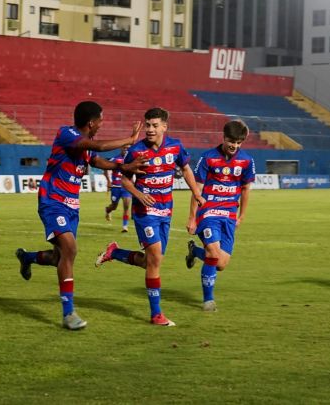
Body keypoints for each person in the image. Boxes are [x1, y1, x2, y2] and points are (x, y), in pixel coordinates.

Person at [15, 101, 145, 330]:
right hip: (52, 201)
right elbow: (99, 147)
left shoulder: (82, 147)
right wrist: (129, 140)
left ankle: (28, 258)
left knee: (59, 257)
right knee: (70, 249)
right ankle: (68, 314)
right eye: (101, 120)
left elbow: (96, 160)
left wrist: (122, 167)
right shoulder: (68, 134)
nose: (102, 124)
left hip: (72, 206)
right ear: (91, 123)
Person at [95, 107, 206, 327]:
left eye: (155, 125)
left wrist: (196, 192)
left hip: (166, 211)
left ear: (165, 127)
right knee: (155, 259)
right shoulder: (136, 151)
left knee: (151, 262)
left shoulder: (175, 146)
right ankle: (156, 314)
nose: (150, 129)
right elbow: (125, 179)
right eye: (148, 125)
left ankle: (114, 252)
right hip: (145, 212)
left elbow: (185, 169)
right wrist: (139, 194)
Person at [185, 120, 255, 312]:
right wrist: (192, 218)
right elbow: (197, 189)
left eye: (239, 142)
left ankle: (195, 252)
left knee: (221, 264)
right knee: (214, 254)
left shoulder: (246, 161)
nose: (235, 145)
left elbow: (246, 189)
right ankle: (208, 300)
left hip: (229, 216)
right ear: (223, 138)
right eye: (232, 141)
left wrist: (242, 216)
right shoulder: (208, 158)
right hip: (208, 213)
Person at [103, 145, 132, 232]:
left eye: (128, 148)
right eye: (124, 148)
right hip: (116, 186)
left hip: (126, 187)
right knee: (114, 206)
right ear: (121, 149)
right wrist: (108, 180)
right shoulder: (115, 159)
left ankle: (125, 226)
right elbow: (105, 168)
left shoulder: (131, 160)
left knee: (126, 205)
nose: (126, 150)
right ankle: (108, 210)